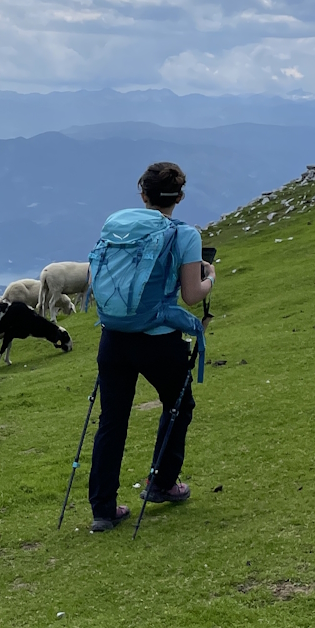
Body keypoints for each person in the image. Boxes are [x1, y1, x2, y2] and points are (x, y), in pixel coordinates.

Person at [83, 161, 213, 532]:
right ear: (180, 196)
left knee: (112, 420)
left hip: (114, 337)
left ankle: (103, 510)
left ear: (143, 194)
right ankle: (162, 482)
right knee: (178, 404)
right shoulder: (185, 235)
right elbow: (191, 295)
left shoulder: (117, 225)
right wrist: (210, 279)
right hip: (158, 339)